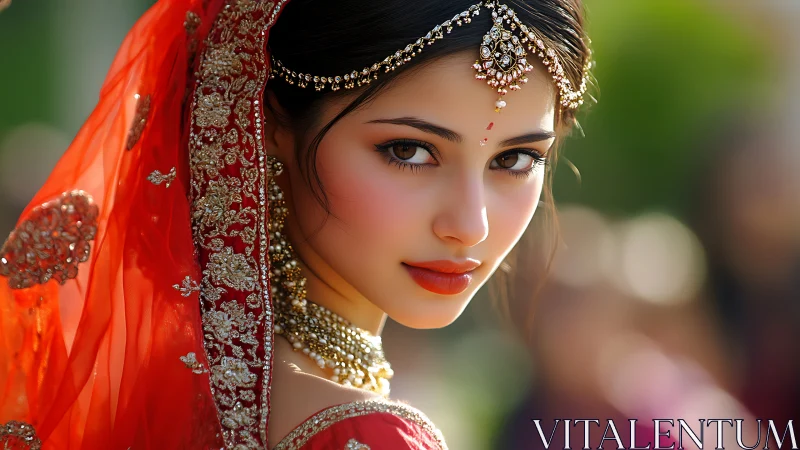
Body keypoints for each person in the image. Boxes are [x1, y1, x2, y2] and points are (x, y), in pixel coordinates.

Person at [0, 0, 593, 448]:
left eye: (515, 160)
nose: (470, 225)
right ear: (272, 125)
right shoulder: (367, 435)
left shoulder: (146, 393)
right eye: (409, 152)